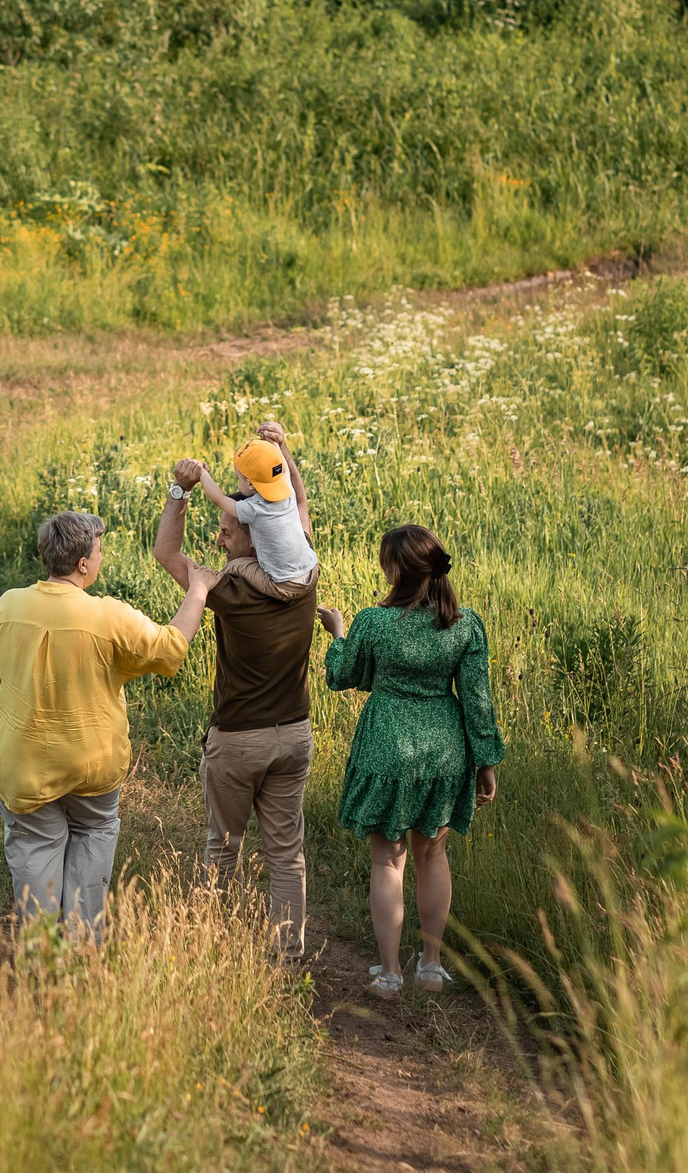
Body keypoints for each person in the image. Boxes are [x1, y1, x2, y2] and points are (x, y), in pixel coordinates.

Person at [0, 509, 211, 937]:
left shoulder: (10, 604)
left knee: (34, 848)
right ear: (83, 564)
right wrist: (199, 590)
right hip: (92, 766)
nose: (100, 558)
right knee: (94, 835)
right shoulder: (107, 616)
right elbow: (170, 649)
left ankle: (41, 958)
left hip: (23, 768)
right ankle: (82, 954)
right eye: (99, 551)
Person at [155, 421, 323, 957]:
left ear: (252, 535)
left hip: (237, 740)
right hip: (294, 735)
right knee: (286, 855)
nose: (221, 536)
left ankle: (212, 944)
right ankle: (288, 957)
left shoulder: (224, 588)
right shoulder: (305, 578)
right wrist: (281, 452)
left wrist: (181, 492)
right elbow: (295, 512)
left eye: (229, 529)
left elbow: (167, 554)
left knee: (223, 848)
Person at [319, 523, 504, 997]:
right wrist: (486, 761)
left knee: (388, 862)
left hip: (387, 747)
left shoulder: (374, 622)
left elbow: (342, 676)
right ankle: (431, 966)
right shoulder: (465, 626)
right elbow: (478, 700)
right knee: (432, 854)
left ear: (397, 569)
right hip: (445, 751)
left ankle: (389, 972)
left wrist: (337, 633)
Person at [175, 421, 317, 607]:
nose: (237, 482)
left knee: (235, 566)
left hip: (284, 586)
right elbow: (282, 465)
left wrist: (202, 475)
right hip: (311, 571)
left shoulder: (254, 509)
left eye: (238, 478)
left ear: (250, 484)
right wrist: (274, 443)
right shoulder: (288, 491)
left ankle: (210, 583)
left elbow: (219, 499)